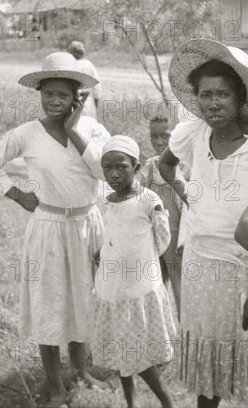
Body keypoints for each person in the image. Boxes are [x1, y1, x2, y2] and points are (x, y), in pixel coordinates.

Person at [0, 52, 110, 408]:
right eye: (48, 93)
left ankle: (81, 371)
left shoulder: (94, 131)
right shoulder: (26, 134)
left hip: (87, 225)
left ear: (77, 96)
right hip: (48, 227)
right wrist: (19, 196)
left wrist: (73, 130)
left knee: (85, 300)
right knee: (49, 304)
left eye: (63, 94)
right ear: (39, 94)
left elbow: (104, 172)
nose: (54, 101)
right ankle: (53, 384)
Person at [159, 39, 248, 408]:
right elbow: (165, 164)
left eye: (223, 94)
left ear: (240, 97)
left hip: (245, 270)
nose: (213, 103)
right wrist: (188, 194)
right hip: (201, 263)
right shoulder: (194, 134)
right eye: (205, 95)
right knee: (208, 356)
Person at [92, 135, 176, 408]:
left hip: (138, 289)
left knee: (136, 354)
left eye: (122, 167)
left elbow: (162, 241)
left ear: (137, 167)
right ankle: (131, 402)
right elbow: (103, 239)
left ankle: (167, 402)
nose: (113, 173)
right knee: (121, 349)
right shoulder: (104, 202)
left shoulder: (148, 201)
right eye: (107, 167)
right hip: (111, 290)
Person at [140, 115, 187, 320]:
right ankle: (158, 326)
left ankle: (186, 327)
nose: (159, 142)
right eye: (154, 136)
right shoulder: (149, 166)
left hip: (176, 231)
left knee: (178, 280)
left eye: (165, 136)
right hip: (153, 231)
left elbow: (190, 205)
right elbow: (139, 197)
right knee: (155, 279)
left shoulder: (185, 166)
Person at [67, 41, 101, 118]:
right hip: (87, 104)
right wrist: (95, 105)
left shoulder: (68, 65)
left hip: (71, 103)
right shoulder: (88, 65)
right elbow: (97, 88)